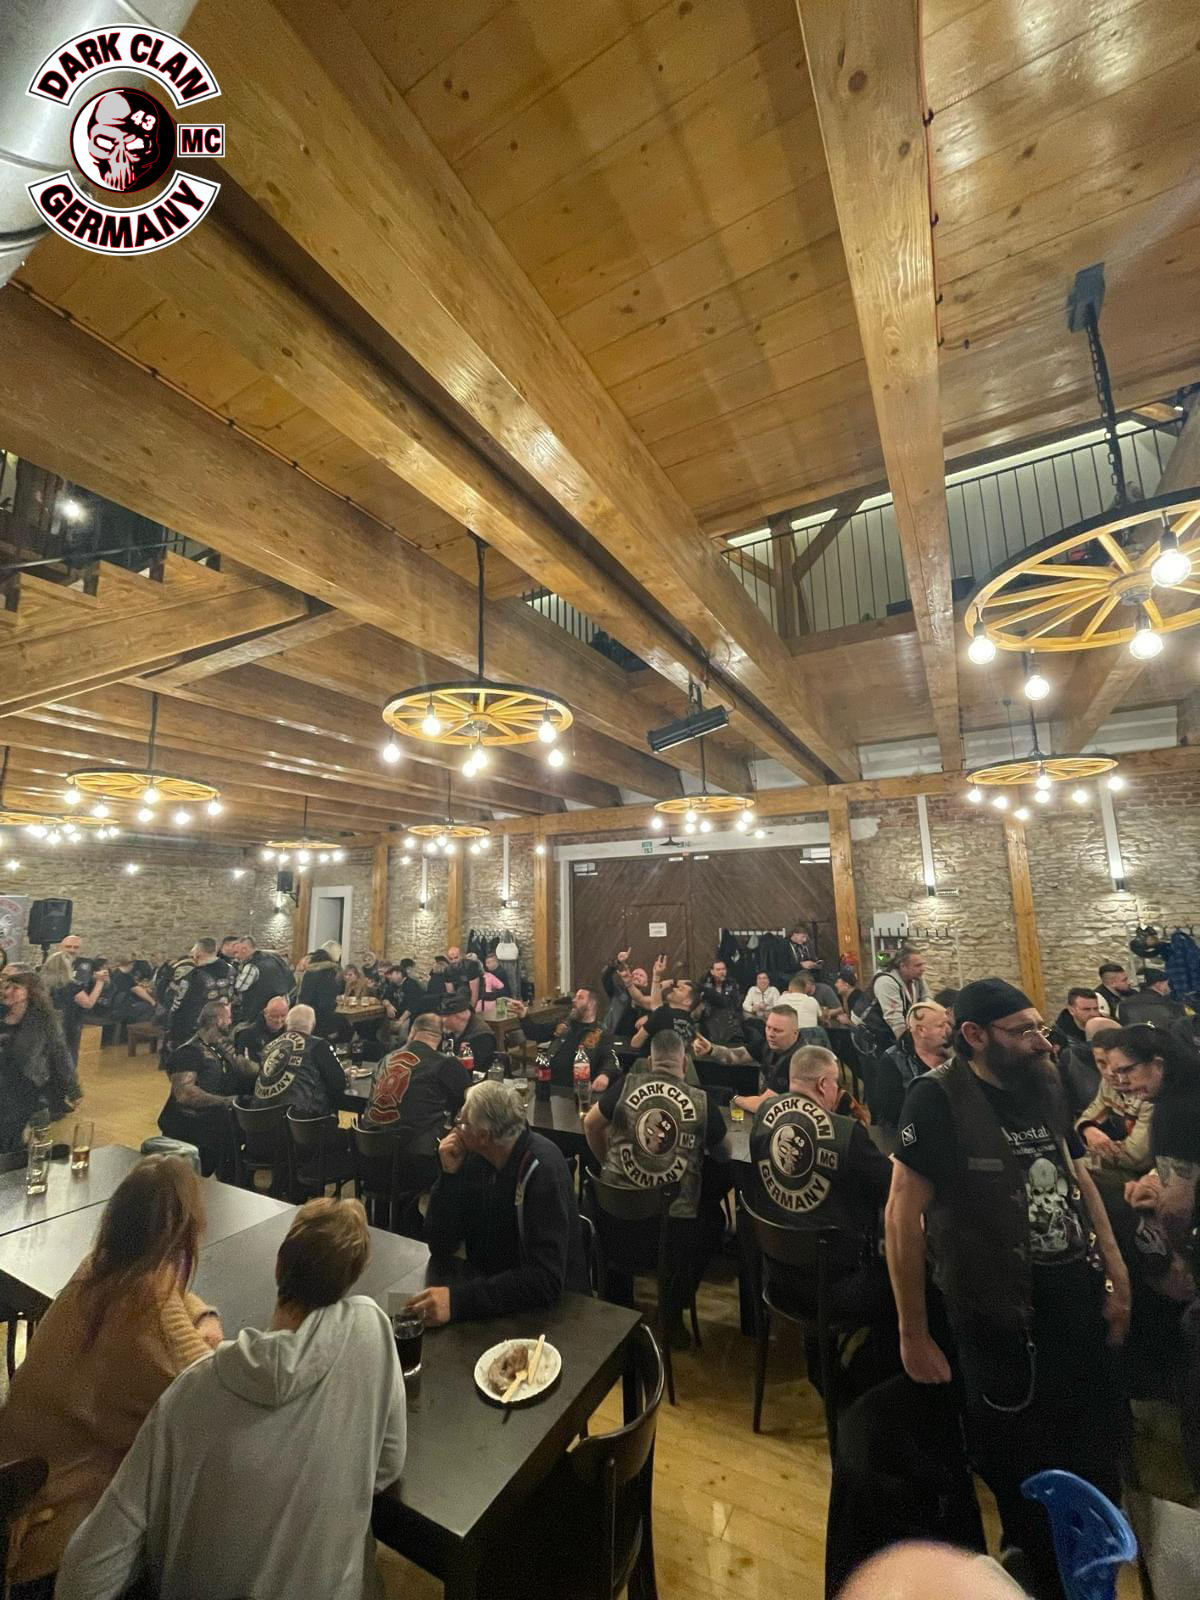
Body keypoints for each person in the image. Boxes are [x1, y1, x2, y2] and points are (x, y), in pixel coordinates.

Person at [885, 978, 1130, 1598]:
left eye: (1039, 1027)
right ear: (974, 1035)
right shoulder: (936, 1098)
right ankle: (1034, 1572)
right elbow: (900, 1215)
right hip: (995, 1311)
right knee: (1018, 1461)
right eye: (1023, 1031)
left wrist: (1115, 1272)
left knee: (1092, 1447)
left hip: (1072, 1294)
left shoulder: (1041, 1080)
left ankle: (1089, 1568)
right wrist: (913, 1333)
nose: (1042, 1042)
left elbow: (1077, 1176)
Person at [57, 1198, 406, 1600]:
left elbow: (85, 1577)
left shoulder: (189, 1395)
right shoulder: (370, 1331)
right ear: (349, 1279)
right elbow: (387, 1466)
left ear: (278, 1266)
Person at [0, 1157, 221, 1594]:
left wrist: (200, 1313)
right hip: (49, 1546)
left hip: (12, 1488)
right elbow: (219, 1396)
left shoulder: (95, 1270)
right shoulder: (154, 1324)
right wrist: (208, 1331)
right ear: (185, 1236)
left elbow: (170, 1296)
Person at [585, 1030, 729, 1344]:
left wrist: (607, 1162)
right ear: (685, 1063)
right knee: (712, 1221)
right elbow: (725, 1152)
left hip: (616, 1228)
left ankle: (617, 1310)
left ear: (650, 1062)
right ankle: (671, 1314)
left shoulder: (626, 1085)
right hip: (670, 1237)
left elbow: (591, 1124)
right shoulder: (700, 1100)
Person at [413, 1080, 590, 1325]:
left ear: (483, 1136)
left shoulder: (541, 1168)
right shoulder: (473, 1157)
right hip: (495, 1300)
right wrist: (448, 1177)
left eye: (462, 1123)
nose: (455, 1130)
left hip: (554, 1315)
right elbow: (441, 1244)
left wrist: (459, 1302)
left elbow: (545, 1281)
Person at [748, 1045, 893, 1329]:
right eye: (836, 1083)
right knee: (908, 1281)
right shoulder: (846, 1132)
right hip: (835, 1285)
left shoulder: (764, 1112)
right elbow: (888, 1182)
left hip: (776, 1275)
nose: (837, 1089)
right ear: (823, 1084)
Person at [1107, 1024, 1200, 1267]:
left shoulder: (1174, 1110)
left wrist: (1178, 1260)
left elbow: (1176, 1208)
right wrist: (1156, 1178)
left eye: (1128, 1070)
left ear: (1158, 1063)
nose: (1122, 1081)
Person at [362, 1011, 465, 1190]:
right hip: (413, 1162)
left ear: (412, 1032)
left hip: (369, 1155)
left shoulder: (385, 1060)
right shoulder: (445, 1063)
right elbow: (469, 1101)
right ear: (440, 1038)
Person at [157, 998, 256, 1174]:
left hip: (217, 1124)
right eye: (228, 1017)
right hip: (191, 1127)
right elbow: (185, 1094)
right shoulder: (189, 1052)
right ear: (218, 1020)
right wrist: (228, 1101)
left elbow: (240, 1073)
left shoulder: (219, 1048)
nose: (231, 1022)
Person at [0, 973, 79, 1151]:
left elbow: (60, 1053)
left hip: (24, 1087)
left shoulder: (44, 1020)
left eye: (16, 988)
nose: (8, 991)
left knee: (11, 1138)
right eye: (7, 987)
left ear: (30, 992)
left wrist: (73, 1089)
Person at [1074, 1023, 1153, 1175]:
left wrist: (1091, 1155)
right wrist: (1088, 1129)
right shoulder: (1108, 1084)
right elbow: (1087, 1117)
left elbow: (1137, 1157)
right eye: (1102, 1063)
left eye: (1117, 1064)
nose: (1110, 1072)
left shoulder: (1149, 1091)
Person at [511, 987, 619, 1089]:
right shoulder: (564, 1024)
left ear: (591, 1004)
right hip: (549, 1085)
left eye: (580, 998)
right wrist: (523, 1016)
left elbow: (611, 1059)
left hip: (576, 1089)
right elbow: (536, 1033)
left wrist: (605, 1075)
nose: (574, 1000)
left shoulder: (600, 1033)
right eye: (575, 997)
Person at [696, 1004, 802, 1107]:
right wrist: (711, 1049)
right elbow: (733, 1056)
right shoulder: (767, 1044)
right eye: (768, 1027)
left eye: (777, 1030)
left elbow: (765, 1104)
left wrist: (733, 1099)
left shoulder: (798, 1060)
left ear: (795, 1033)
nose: (770, 1034)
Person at [253, 1003, 348, 1118]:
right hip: (302, 1120)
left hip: (259, 1119)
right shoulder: (318, 1045)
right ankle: (349, 1127)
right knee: (347, 1107)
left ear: (287, 1024)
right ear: (312, 1025)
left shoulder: (269, 1047)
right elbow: (339, 1083)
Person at [870, 1000, 951, 1130]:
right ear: (921, 1030)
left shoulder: (955, 1053)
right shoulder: (893, 1060)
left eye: (948, 1024)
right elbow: (890, 1111)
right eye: (940, 1026)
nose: (947, 1030)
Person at [39, 946, 106, 1072]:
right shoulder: (70, 986)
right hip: (68, 1024)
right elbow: (88, 1003)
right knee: (67, 1060)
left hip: (45, 1025)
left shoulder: (40, 984)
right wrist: (100, 982)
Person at [164, 938, 234, 1052]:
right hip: (223, 1025)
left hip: (195, 1030)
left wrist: (172, 1032)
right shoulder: (232, 970)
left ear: (198, 953)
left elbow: (178, 1005)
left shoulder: (193, 976)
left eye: (193, 950)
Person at [862, 948, 930, 1047]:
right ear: (903, 966)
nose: (923, 968)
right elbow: (895, 1020)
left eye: (923, 964)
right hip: (869, 1032)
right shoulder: (886, 981)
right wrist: (910, 1046)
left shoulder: (916, 979)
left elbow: (928, 1003)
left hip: (887, 1031)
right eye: (917, 965)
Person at [230, 936, 293, 1025]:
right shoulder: (275, 959)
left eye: (236, 952)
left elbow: (239, 987)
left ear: (244, 949)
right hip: (282, 1008)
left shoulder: (252, 965)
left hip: (260, 1014)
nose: (236, 957)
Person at [630, 977, 699, 1053]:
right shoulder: (692, 1025)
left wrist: (651, 1018)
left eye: (680, 990)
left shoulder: (661, 1013)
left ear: (687, 1001)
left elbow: (635, 1044)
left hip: (655, 1058)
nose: (674, 989)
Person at [439, 992, 498, 1075]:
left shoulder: (481, 1036)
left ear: (459, 1016)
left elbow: (476, 1071)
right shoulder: (449, 1032)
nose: (441, 1020)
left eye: (444, 1016)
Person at [1118, 968, 1189, 1034]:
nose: (1169, 987)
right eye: (1167, 983)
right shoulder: (1172, 1006)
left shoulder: (1124, 1005)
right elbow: (1183, 1032)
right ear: (1159, 985)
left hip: (1136, 1042)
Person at [232, 993, 290, 1065]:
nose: (278, 1020)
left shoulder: (291, 1032)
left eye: (283, 1016)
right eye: (274, 1016)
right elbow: (244, 1065)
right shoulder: (248, 1035)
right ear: (265, 1014)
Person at [297, 945, 342, 1037]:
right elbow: (327, 1001)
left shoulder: (309, 973)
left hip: (307, 1014)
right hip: (323, 1017)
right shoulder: (330, 973)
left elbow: (303, 995)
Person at [106, 958, 155, 1026]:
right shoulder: (124, 976)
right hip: (123, 1009)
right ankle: (135, 1029)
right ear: (130, 964)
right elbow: (137, 989)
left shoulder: (116, 973)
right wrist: (152, 1002)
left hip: (114, 1008)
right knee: (149, 1007)